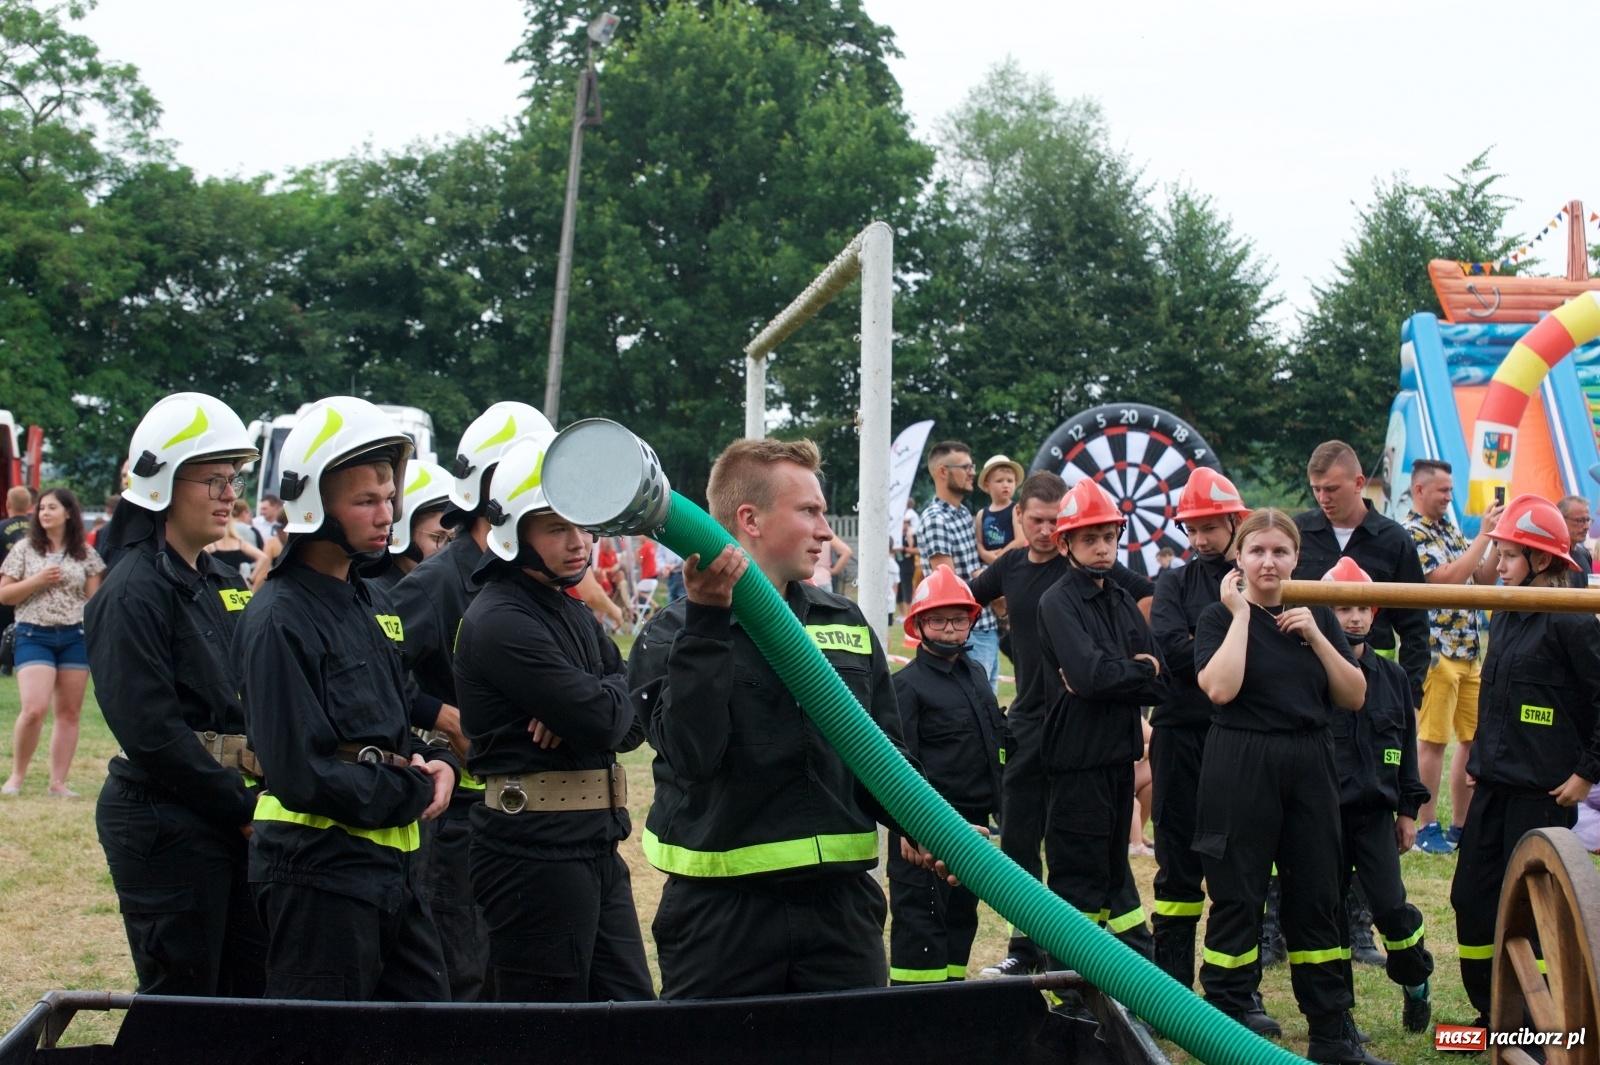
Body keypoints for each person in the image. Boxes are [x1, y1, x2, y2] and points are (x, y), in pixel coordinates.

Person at [629, 437, 955, 999]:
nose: (827, 531)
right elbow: (692, 755)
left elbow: (883, 758)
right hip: (722, 918)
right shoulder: (674, 632)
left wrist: (933, 827)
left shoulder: (846, 623)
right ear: (749, 519)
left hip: (842, 913)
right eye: (809, 511)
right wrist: (708, 624)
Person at [236, 396, 458, 1001]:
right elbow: (303, 774)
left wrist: (435, 760)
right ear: (312, 505)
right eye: (365, 501)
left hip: (391, 876)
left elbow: (384, 730)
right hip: (316, 878)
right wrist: (414, 788)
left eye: (389, 497)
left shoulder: (370, 602)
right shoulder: (278, 619)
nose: (386, 513)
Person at [454, 437, 654, 1003]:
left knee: (631, 1016)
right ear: (514, 532)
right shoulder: (498, 618)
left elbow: (631, 718)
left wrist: (593, 704)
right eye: (555, 527)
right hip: (532, 855)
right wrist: (596, 705)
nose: (578, 543)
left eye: (583, 525)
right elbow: (604, 716)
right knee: (546, 1030)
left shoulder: (571, 609)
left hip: (592, 846)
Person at [84, 391, 269, 996]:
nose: (230, 496)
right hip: (167, 819)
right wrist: (240, 810)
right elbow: (153, 732)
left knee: (246, 995)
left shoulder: (219, 577)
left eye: (233, 479)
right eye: (213, 480)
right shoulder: (132, 590)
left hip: (228, 809)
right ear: (159, 482)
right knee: (185, 1005)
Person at [1193, 509, 1381, 1065]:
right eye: (1257, 551)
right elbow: (1220, 690)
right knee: (1237, 894)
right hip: (1241, 760)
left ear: (1297, 558)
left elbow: (1354, 696)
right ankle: (1226, 1018)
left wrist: (1318, 640)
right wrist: (1240, 617)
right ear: (1240, 558)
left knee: (1319, 895)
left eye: (1280, 551)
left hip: (1309, 760)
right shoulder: (1216, 616)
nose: (1268, 561)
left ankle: (1331, 1030)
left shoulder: (1317, 617)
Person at [389, 400, 554, 1003]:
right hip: (458, 814)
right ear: (488, 487)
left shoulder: (537, 577)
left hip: (532, 814)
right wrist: (439, 716)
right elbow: (371, 673)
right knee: (461, 971)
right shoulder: (436, 580)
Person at [969, 471, 1154, 976]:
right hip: (1030, 722)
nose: (1047, 530)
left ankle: (1121, 950)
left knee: (1092, 843)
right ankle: (1025, 947)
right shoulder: (1010, 566)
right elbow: (963, 603)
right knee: (1021, 839)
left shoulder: (1095, 571)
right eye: (1037, 521)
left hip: (1084, 727)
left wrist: (1127, 666)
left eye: (1056, 521)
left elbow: (1151, 599)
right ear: (1020, 519)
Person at [1451, 494, 1600, 1028]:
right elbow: (1499, 694)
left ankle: (1540, 1023)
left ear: (1540, 560)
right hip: (1492, 790)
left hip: (1541, 799)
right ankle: (1491, 1013)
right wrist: (1482, 756)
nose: (1499, 567)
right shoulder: (1507, 611)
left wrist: (1586, 773)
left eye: (1509, 556)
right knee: (1470, 900)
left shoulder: (1573, 619)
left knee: (1538, 916)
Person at [1036, 478, 1166, 978]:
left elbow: (1162, 680)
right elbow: (1089, 677)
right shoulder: (1058, 602)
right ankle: (1065, 994)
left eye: (1109, 537)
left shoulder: (1118, 599)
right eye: (1090, 538)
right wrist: (1133, 670)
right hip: (1077, 764)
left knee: (1116, 878)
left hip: (1118, 760)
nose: (1102, 547)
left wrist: (1132, 672)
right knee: (1077, 883)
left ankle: (1135, 982)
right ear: (1065, 543)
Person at [1320, 558, 1435, 1033]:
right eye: (1343, 607)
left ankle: (1415, 982)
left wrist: (1408, 810)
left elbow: (1407, 750)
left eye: (1363, 608)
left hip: (1374, 817)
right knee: (1328, 921)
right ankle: (1340, 1016)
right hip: (1323, 816)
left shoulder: (1393, 678)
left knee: (1391, 908)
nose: (1354, 617)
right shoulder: (1312, 672)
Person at [1148, 467, 1250, 996]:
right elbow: (1169, 646)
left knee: (1238, 864)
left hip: (1239, 741)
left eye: (1210, 526)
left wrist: (1200, 644)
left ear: (1236, 521)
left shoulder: (1257, 580)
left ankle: (1235, 991)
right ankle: (1170, 989)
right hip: (1180, 738)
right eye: (1192, 529)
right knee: (1177, 863)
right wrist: (1227, 652)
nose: (1201, 538)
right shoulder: (1174, 582)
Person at [888, 565, 1008, 985]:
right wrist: (908, 828)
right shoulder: (906, 686)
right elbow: (897, 764)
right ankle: (915, 1024)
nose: (950, 628)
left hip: (975, 829)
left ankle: (951, 1004)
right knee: (922, 929)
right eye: (938, 619)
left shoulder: (975, 675)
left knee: (961, 922)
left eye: (959, 618)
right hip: (927, 832)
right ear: (918, 623)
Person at [1402, 459, 1502, 856]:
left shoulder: (1450, 530)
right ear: (1420, 491)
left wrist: (1494, 539)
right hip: (1437, 651)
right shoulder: (1412, 532)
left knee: (1472, 740)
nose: (1448, 497)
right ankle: (1427, 826)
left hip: (1469, 649)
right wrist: (1481, 536)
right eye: (1442, 490)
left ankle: (1462, 825)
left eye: (1450, 490)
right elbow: (1445, 582)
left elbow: (1484, 579)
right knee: (1433, 741)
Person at [0, 487, 104, 797]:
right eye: (41, 508)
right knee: (34, 708)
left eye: (52, 508)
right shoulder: (24, 549)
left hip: (74, 636)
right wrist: (38, 580)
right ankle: (16, 776)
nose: (44, 513)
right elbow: (4, 594)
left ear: (69, 513)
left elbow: (94, 601)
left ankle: (58, 782)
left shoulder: (86, 554)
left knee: (69, 712)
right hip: (34, 633)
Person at [921, 441, 1000, 690]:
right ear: (943, 471)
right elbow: (949, 591)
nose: (972, 472)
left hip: (985, 626)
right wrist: (989, 580)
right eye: (965, 467)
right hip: (967, 632)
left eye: (972, 466)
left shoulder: (963, 512)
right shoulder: (936, 520)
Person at [369, 459, 451, 593]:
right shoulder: (383, 595)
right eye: (439, 537)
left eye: (451, 538)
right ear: (403, 532)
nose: (447, 549)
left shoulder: (433, 587)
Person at [0, 486, 35, 669]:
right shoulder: (39, 529)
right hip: (34, 587)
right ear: (30, 505)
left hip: (7, 586)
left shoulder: (1, 527)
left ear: (7, 504)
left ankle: (4, 663)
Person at [975, 455, 1024, 565]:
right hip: (988, 565)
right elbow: (979, 542)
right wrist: (984, 554)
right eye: (999, 481)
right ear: (987, 486)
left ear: (1015, 484)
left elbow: (1020, 540)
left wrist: (998, 558)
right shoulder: (981, 514)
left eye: (1010, 481)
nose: (1006, 485)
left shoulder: (1016, 510)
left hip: (1011, 563)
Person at [203, 500, 267, 580]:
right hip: (235, 586)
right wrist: (250, 580)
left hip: (216, 585)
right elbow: (263, 557)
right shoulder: (240, 543)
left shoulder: (211, 545)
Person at [1557, 495, 1594, 587]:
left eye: (1588, 520)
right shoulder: (1549, 557)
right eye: (1580, 520)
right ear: (1561, 519)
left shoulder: (1585, 555)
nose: (1586, 527)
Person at [896, 498, 920, 612]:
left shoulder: (912, 534)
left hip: (908, 565)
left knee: (907, 588)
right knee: (899, 588)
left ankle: (908, 613)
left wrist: (905, 549)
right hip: (898, 563)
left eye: (906, 522)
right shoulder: (898, 535)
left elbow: (918, 550)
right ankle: (902, 614)